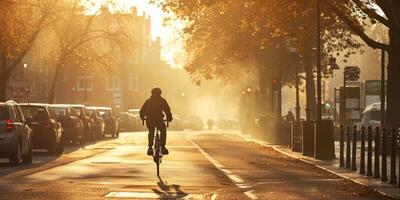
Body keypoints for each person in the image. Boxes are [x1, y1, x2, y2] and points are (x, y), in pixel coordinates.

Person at [140, 88, 173, 156]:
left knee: (151, 131)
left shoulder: (148, 101)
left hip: (150, 120)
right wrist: (169, 118)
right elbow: (167, 110)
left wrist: (142, 117)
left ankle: (150, 148)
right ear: (160, 94)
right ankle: (163, 147)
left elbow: (142, 111)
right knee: (163, 130)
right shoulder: (162, 101)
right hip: (159, 120)